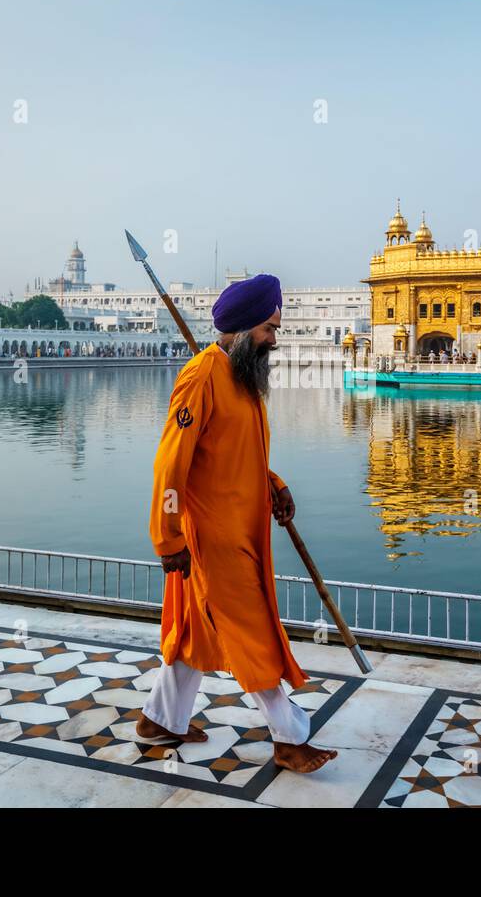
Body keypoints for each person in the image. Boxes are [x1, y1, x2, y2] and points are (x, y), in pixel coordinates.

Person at [138, 272, 338, 774]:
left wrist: (274, 483)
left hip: (240, 528)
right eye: (270, 328)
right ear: (247, 327)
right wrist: (167, 536)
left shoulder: (240, 377)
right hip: (212, 535)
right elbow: (171, 464)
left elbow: (232, 452)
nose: (275, 338)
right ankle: (289, 737)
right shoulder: (202, 376)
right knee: (252, 634)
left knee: (195, 631)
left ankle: (160, 720)